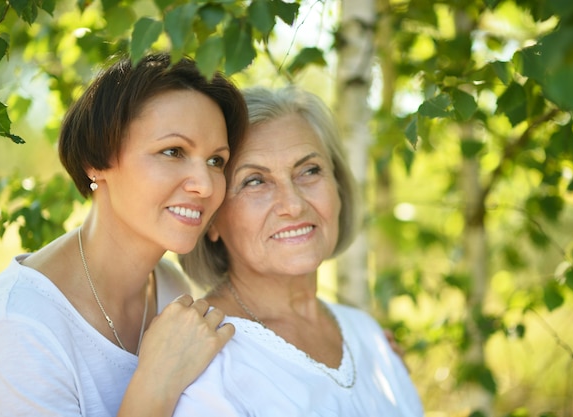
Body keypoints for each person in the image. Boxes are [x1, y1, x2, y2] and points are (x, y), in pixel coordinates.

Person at [0, 52, 247, 417]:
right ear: (98, 160)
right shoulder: (20, 326)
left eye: (216, 160)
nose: (205, 185)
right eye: (173, 151)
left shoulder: (173, 289)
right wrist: (155, 383)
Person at [176, 86, 424, 415]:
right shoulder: (201, 355)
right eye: (254, 181)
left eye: (309, 171)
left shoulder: (368, 334)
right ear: (211, 221)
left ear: (339, 188)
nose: (292, 205)